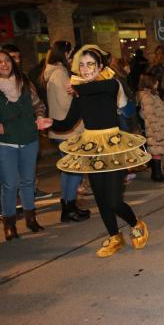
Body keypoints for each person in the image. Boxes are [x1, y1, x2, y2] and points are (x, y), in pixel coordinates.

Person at [51, 47, 151, 257]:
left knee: (114, 200)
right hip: (92, 147)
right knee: (101, 198)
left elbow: (100, 86)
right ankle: (114, 236)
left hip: (113, 145)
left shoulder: (110, 85)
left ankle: (136, 223)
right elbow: (67, 123)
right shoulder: (81, 93)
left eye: (90, 64)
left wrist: (77, 85)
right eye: (82, 65)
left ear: (101, 67)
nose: (85, 69)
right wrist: (47, 123)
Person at [0, 49, 53, 240]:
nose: (4, 64)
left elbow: (39, 105)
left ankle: (31, 219)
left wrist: (40, 118)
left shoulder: (24, 81)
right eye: (0, 62)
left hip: (29, 139)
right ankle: (9, 224)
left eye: (7, 60)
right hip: (5, 143)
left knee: (28, 181)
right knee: (10, 184)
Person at [43, 40, 90, 222]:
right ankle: (68, 207)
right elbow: (66, 103)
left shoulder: (53, 72)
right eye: (70, 53)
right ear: (64, 53)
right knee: (72, 170)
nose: (72, 57)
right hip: (67, 130)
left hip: (64, 130)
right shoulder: (60, 73)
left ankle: (70, 206)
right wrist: (80, 93)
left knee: (71, 170)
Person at [138, 73, 164, 182]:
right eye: (156, 81)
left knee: (157, 151)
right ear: (151, 83)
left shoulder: (152, 95)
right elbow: (150, 117)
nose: (158, 83)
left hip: (159, 128)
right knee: (156, 151)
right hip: (155, 130)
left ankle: (158, 173)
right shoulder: (148, 98)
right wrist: (157, 133)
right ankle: (156, 175)